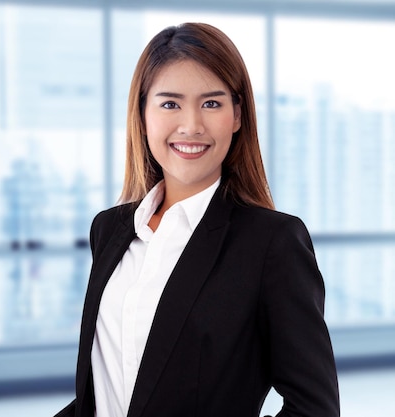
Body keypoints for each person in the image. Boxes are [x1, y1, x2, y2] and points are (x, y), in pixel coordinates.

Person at [55, 22, 340, 417]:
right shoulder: (110, 230)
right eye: (170, 104)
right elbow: (105, 393)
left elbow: (314, 409)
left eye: (211, 103)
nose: (191, 125)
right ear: (142, 114)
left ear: (237, 115)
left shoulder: (271, 243)